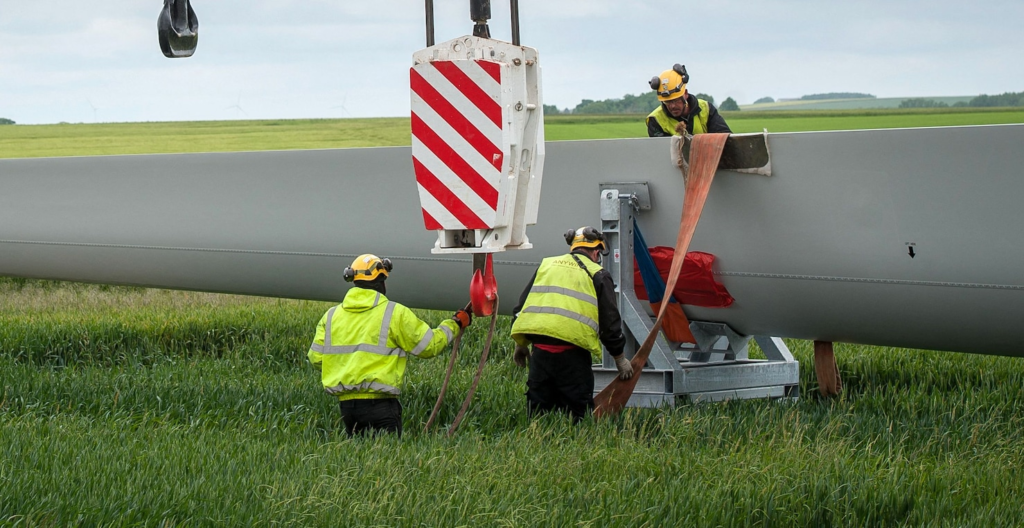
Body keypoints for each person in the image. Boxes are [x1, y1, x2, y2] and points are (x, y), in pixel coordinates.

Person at [307, 253, 472, 437]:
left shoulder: (331, 316)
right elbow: (429, 346)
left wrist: (347, 367)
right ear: (381, 281)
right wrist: (455, 324)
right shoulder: (394, 313)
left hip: (347, 409)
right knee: (386, 453)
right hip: (381, 407)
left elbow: (315, 358)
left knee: (358, 454)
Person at [510, 227, 634, 422]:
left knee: (538, 415)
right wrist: (619, 358)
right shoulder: (598, 274)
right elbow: (610, 324)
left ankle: (536, 438)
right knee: (577, 416)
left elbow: (522, 308)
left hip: (540, 354)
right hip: (573, 357)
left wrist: (521, 343)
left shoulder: (547, 265)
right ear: (596, 252)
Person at [646, 63, 732, 137]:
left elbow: (725, 140)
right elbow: (661, 149)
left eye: (676, 100)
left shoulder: (706, 109)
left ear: (685, 94)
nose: (672, 106)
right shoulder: (655, 119)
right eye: (667, 102)